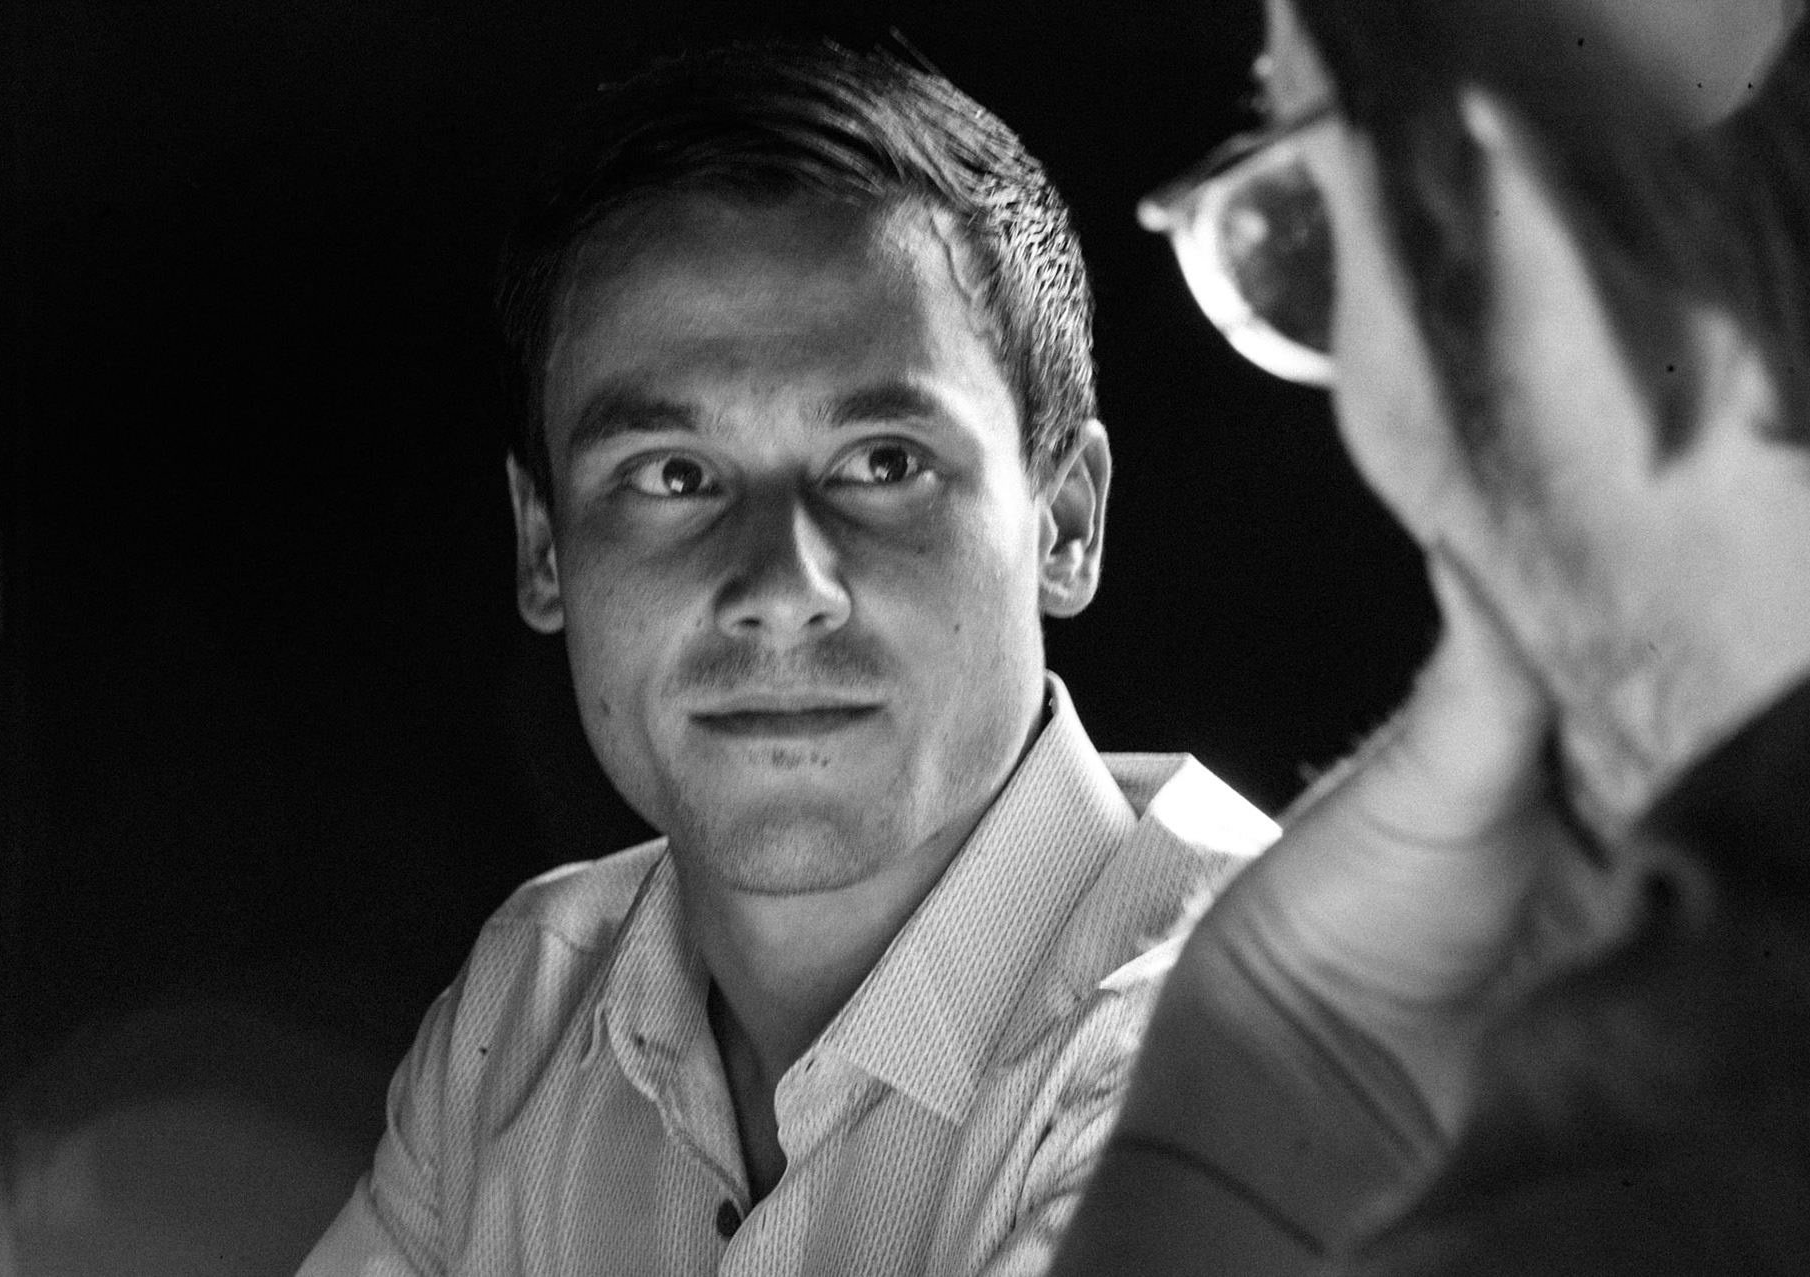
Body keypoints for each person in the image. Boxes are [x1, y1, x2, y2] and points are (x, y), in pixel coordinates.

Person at [298, 42, 1277, 1277]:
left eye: (884, 463)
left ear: (1065, 522)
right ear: (545, 547)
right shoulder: (530, 995)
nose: (779, 587)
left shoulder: (1260, 1055)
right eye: (673, 475)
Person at [1049, 0, 1810, 1271]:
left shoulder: (1674, 1181)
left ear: (1523, 214)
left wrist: (1240, 1114)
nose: (1367, 422)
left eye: (1302, 229)